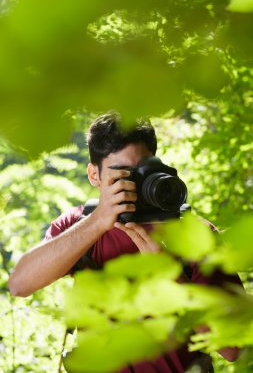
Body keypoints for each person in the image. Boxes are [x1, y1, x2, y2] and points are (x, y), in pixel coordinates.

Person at [9, 112, 241, 372]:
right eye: (122, 174)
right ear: (94, 175)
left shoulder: (194, 233)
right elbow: (19, 284)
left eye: (142, 171)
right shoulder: (80, 224)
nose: (134, 183)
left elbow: (232, 348)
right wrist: (98, 221)